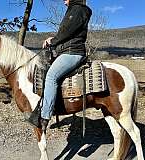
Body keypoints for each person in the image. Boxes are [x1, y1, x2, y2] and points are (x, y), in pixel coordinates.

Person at [27, 0, 92, 130]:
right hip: (68, 50)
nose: (63, 1)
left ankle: (44, 117)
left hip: (72, 52)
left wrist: (53, 41)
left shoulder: (77, 9)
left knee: (51, 76)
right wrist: (54, 39)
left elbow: (67, 32)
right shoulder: (74, 10)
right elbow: (67, 33)